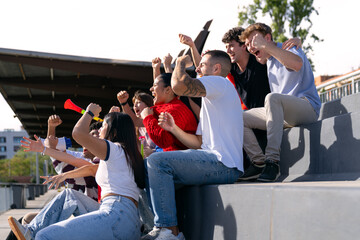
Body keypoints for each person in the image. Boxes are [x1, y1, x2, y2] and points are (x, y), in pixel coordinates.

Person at [142, 50, 243, 240]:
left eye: (202, 65)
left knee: (157, 161)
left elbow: (179, 86)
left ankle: (170, 232)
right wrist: (174, 129)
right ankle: (158, 228)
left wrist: (180, 63)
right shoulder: (212, 100)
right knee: (147, 169)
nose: (197, 68)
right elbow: (198, 142)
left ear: (216, 68)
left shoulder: (220, 82)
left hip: (223, 164)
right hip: (213, 161)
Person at [8, 104, 145, 240]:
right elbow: (90, 168)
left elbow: (78, 133)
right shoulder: (125, 154)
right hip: (124, 219)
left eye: (103, 126)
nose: (100, 130)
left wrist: (90, 112)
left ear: (114, 133)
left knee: (44, 236)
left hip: (116, 215)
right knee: (69, 195)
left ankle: (31, 233)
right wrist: (51, 159)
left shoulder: (115, 149)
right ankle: (30, 231)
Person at [238, 22, 321, 182]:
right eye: (247, 45)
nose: (250, 47)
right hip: (283, 113)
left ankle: (272, 162)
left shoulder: (289, 48)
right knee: (239, 117)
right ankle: (259, 162)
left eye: (254, 41)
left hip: (307, 108)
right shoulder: (267, 60)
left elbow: (296, 64)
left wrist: (267, 46)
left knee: (272, 97)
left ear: (267, 38)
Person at [141, 72, 198, 152]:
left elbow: (164, 141)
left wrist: (148, 118)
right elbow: (136, 120)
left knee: (152, 160)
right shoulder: (166, 107)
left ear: (168, 90)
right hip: (177, 157)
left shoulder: (175, 110)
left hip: (185, 159)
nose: (151, 89)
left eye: (155, 85)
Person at [117, 90, 157, 158]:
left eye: (138, 102)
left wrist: (154, 152)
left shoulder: (155, 120)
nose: (135, 106)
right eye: (134, 103)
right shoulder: (136, 128)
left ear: (148, 104)